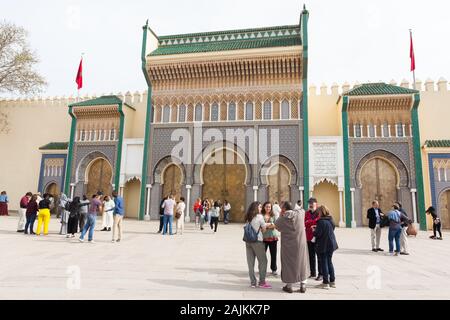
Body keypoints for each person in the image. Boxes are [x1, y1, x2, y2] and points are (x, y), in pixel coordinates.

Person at [273, 201, 309, 293]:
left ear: (284, 209)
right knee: (302, 262)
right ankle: (303, 285)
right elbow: (301, 209)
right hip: (301, 243)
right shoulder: (300, 214)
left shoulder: (282, 218)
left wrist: (281, 214)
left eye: (281, 208)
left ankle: (289, 286)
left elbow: (276, 226)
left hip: (288, 245)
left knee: (288, 264)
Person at [244, 201, 272, 289]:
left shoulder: (248, 216)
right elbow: (264, 229)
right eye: (260, 207)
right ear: (256, 208)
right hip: (257, 241)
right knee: (263, 261)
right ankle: (262, 282)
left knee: (250, 263)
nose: (261, 208)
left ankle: (253, 282)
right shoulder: (259, 216)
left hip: (248, 241)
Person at [313, 205, 338, 289]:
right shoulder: (331, 220)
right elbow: (332, 228)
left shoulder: (321, 221)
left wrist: (314, 230)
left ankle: (325, 282)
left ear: (321, 212)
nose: (318, 214)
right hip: (331, 244)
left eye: (318, 213)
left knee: (324, 263)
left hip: (323, 245)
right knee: (329, 262)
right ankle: (332, 281)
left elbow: (317, 234)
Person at [305, 197, 322, 280]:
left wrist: (309, 222)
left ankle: (321, 274)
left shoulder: (319, 212)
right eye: (309, 203)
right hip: (309, 237)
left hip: (317, 237)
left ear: (316, 204)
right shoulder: (307, 213)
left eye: (312, 203)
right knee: (311, 256)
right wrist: (312, 222)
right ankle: (313, 273)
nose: (311, 205)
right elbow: (305, 223)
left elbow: (318, 221)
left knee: (319, 256)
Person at [262, 201, 279, 276]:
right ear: (264, 207)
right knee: (262, 255)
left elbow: (276, 225)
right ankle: (262, 269)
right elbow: (260, 226)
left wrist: (267, 226)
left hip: (273, 237)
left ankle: (274, 269)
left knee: (273, 255)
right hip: (264, 238)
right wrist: (270, 225)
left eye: (269, 207)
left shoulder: (274, 215)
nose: (268, 208)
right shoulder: (261, 215)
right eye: (266, 207)